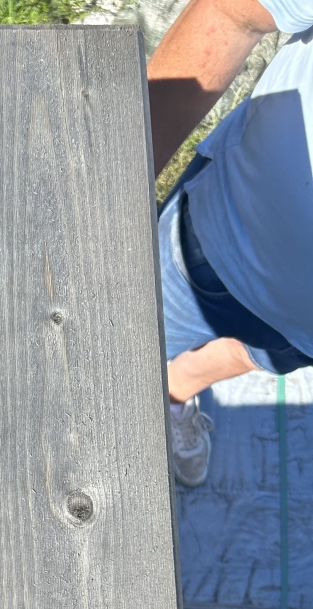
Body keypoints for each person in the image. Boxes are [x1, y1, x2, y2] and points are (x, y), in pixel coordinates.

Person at [147, 0, 313, 485]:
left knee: (255, 354)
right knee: (103, 337)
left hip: (299, 334)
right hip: (214, 247)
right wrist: (106, 205)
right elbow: (230, 14)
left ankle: (176, 391)